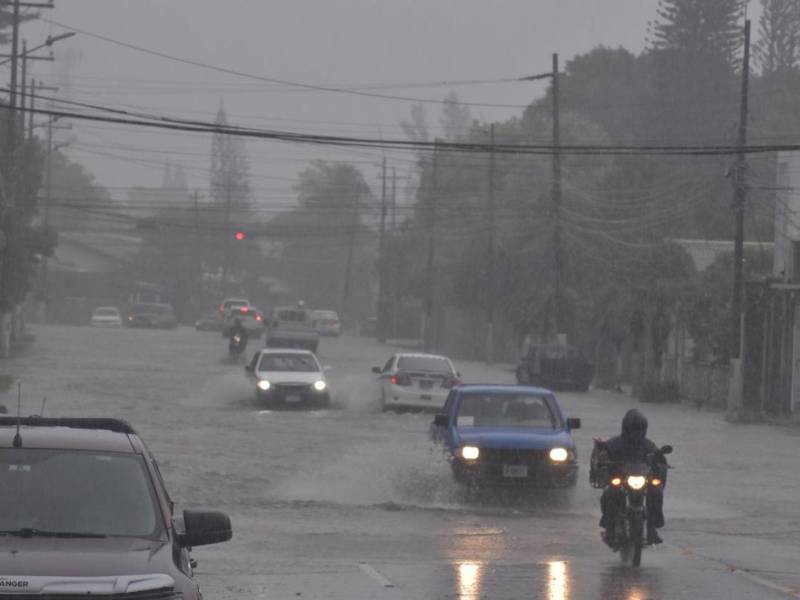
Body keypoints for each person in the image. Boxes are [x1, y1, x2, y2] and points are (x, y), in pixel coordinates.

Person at [598, 409, 667, 547]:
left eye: (639, 429)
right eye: (633, 429)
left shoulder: (648, 445)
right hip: (622, 480)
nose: (636, 433)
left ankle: (652, 528)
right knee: (609, 493)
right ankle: (610, 527)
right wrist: (604, 458)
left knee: (656, 492)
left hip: (642, 481)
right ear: (626, 428)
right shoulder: (615, 443)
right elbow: (603, 455)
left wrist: (659, 460)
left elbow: (660, 460)